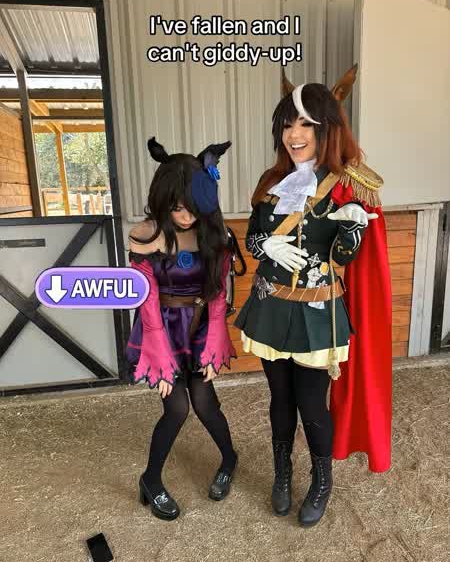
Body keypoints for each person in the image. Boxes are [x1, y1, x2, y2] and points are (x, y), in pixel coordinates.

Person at [234, 66, 392, 527]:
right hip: (270, 307)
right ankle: (282, 473)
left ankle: (321, 481)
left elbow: (343, 256)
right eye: (287, 124)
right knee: (279, 400)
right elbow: (253, 239)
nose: (294, 134)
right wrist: (267, 246)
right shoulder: (271, 181)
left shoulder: (345, 185)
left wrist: (352, 230)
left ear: (326, 129)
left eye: (305, 123)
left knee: (311, 405)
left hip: (317, 312)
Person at [127, 137, 238, 521]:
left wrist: (215, 340)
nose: (186, 215)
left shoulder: (214, 232)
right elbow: (146, 299)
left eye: (192, 206)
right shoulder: (146, 235)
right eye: (177, 207)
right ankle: (150, 480)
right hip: (161, 330)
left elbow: (218, 293)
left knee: (205, 404)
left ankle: (229, 458)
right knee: (176, 409)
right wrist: (157, 354)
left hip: (201, 327)